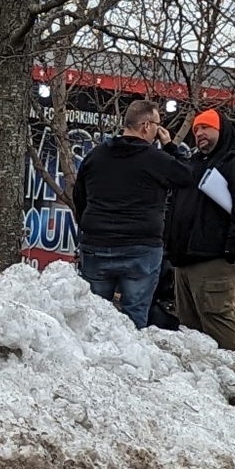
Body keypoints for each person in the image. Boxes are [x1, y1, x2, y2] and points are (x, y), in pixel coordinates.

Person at [67, 93, 184, 326]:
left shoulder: (96, 156)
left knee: (91, 317)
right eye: (158, 125)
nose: (159, 131)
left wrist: (90, 226)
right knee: (134, 316)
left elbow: (79, 196)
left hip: (97, 244)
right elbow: (187, 176)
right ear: (146, 126)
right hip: (141, 248)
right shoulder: (157, 159)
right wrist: (171, 146)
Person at [163, 106, 235, 350]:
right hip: (185, 260)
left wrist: (232, 247)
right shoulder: (194, 163)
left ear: (221, 130)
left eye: (206, 127)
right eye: (196, 129)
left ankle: (224, 376)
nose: (199, 132)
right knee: (189, 326)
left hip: (215, 259)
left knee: (216, 321)